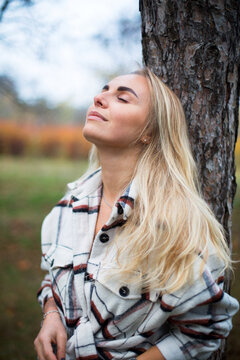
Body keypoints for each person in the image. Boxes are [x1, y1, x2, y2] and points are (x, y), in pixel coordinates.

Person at [34, 67, 239, 360]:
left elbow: (206, 330)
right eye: (103, 90)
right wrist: (50, 314)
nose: (100, 98)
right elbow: (52, 278)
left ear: (149, 132)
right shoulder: (69, 206)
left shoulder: (175, 227)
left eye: (123, 98)